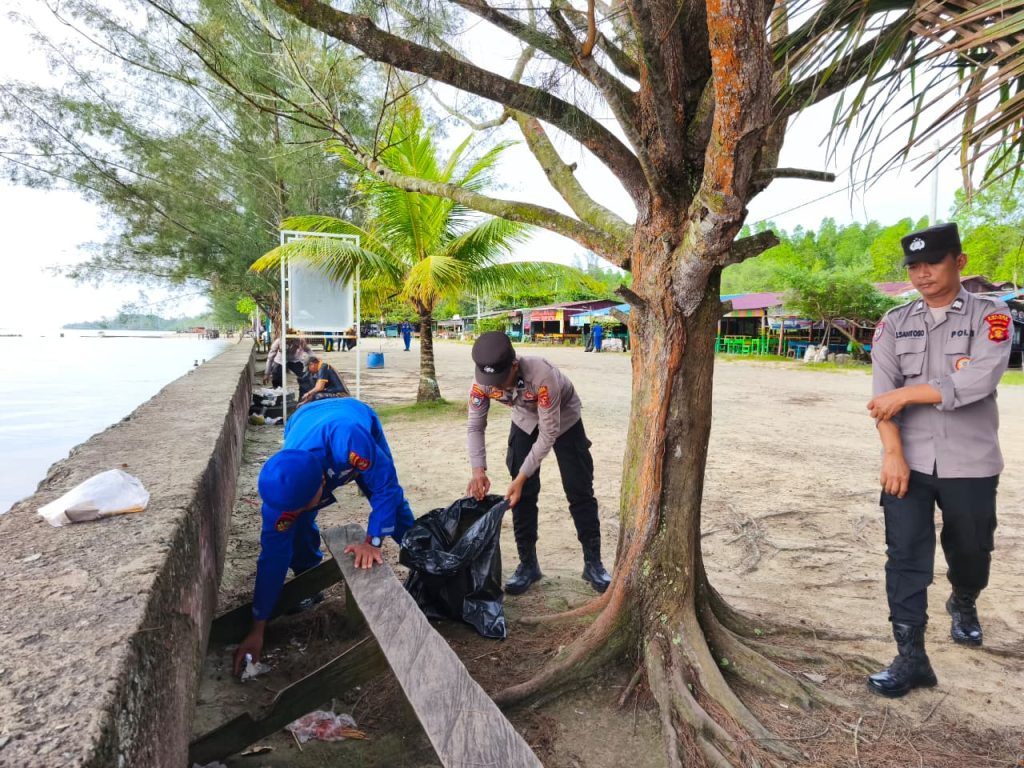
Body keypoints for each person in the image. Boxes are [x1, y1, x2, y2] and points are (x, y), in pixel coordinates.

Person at [865, 222, 1010, 698]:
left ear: (959, 262)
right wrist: (892, 454)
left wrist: (908, 394)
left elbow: (980, 380)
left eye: (933, 262)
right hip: (907, 459)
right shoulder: (894, 322)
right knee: (905, 555)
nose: (922, 273)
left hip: (971, 460)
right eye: (914, 266)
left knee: (971, 548)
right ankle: (911, 658)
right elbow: (882, 398)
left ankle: (964, 599)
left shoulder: (992, 316)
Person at [232, 396, 416, 675]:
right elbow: (272, 558)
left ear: (323, 482)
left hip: (349, 415)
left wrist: (373, 542)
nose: (296, 512)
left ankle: (421, 558)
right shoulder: (282, 490)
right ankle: (308, 578)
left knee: (388, 500)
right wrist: (258, 628)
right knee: (299, 526)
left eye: (307, 504)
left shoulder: (352, 442)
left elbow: (386, 488)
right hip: (302, 420)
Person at [465, 331, 612, 595]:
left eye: (500, 381)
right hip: (524, 418)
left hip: (563, 419)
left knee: (578, 488)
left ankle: (593, 563)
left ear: (514, 365)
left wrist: (520, 477)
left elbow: (548, 433)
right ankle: (528, 564)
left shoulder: (542, 375)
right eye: (491, 382)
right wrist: (478, 470)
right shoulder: (483, 382)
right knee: (522, 496)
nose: (497, 388)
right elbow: (475, 426)